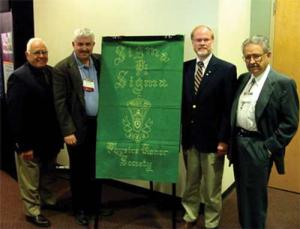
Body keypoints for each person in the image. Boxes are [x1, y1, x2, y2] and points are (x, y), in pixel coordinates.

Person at [229, 35, 299, 229]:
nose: (252, 61)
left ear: (268, 55)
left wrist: (269, 148)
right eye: (247, 57)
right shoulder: (244, 79)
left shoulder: (283, 83)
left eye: (257, 56)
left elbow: (290, 123)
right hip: (240, 144)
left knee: (256, 197)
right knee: (243, 193)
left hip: (259, 146)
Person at [52, 28, 112, 226]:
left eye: (88, 44)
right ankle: (80, 209)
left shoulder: (101, 61)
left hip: (100, 126)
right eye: (80, 44)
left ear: (93, 45)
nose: (84, 48)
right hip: (77, 129)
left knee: (98, 168)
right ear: (73, 45)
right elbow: (59, 103)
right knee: (79, 171)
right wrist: (67, 131)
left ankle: (95, 206)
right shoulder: (62, 68)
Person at [181, 25, 237, 229]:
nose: (202, 43)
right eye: (198, 40)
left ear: (212, 41)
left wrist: (224, 139)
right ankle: (190, 215)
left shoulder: (226, 69)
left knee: (212, 187)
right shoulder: (184, 68)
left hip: (214, 141)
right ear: (192, 42)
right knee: (191, 183)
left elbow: (227, 109)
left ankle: (212, 221)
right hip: (190, 139)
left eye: (206, 39)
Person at [6, 38, 63, 227]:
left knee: (48, 174)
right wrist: (23, 145)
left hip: (50, 139)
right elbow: (15, 115)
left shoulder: (52, 72)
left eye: (44, 52)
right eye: (37, 52)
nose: (41, 56)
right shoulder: (18, 77)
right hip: (29, 141)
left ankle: (48, 201)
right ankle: (33, 211)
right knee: (30, 179)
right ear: (27, 55)